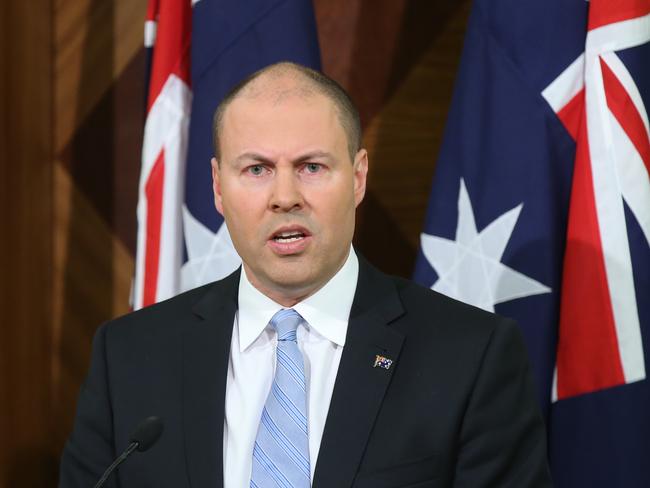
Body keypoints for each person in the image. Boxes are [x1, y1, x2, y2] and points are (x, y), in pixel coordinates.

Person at [60, 62, 552, 487]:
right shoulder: (128, 358)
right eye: (256, 170)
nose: (284, 196)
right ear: (217, 187)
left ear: (358, 177)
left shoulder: (470, 356)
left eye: (312, 167)